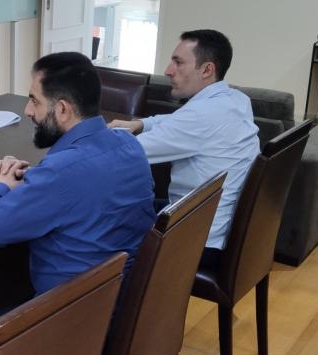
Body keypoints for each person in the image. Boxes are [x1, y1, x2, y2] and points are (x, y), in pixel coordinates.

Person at [0, 52, 155, 355]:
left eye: (34, 101)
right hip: (124, 304)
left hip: (70, 321)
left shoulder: (62, 172)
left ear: (62, 109)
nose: (27, 111)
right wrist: (35, 183)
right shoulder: (129, 144)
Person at [108, 29, 260, 251]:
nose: (168, 70)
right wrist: (141, 124)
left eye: (178, 63)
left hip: (193, 239)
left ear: (207, 69)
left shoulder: (199, 117)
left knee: (98, 227)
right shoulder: (236, 100)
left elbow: (125, 153)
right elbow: (179, 120)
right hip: (214, 224)